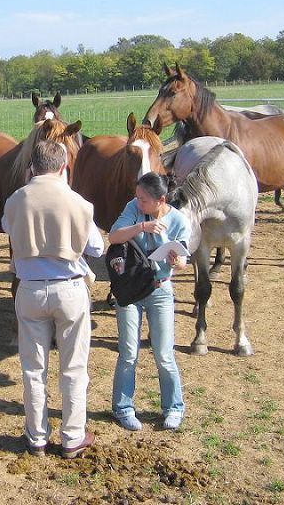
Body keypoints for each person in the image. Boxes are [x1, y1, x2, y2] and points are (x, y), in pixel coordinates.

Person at [2, 139, 104, 459]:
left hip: (29, 288)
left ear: (32, 167)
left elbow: (8, 228)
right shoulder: (79, 203)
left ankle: (36, 437)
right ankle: (72, 437)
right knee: (73, 367)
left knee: (33, 369)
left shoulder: (15, 200)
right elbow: (98, 248)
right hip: (70, 290)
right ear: (64, 167)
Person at [108, 172, 191, 432]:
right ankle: (123, 407)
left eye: (144, 199)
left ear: (161, 200)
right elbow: (114, 236)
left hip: (160, 290)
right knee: (128, 352)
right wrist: (141, 227)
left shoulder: (178, 221)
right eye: (138, 196)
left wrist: (178, 262)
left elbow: (183, 259)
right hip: (131, 290)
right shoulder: (133, 209)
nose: (138, 201)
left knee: (164, 354)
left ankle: (174, 408)